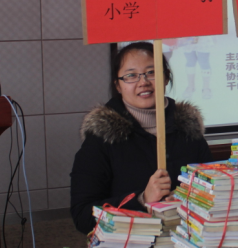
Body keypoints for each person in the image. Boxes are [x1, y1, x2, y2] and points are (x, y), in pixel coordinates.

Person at [70, 41, 212, 234]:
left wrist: (188, 200)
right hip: (131, 245)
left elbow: (212, 193)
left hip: (186, 242)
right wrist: (142, 200)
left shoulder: (188, 130)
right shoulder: (102, 138)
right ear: (118, 85)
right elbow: (83, 216)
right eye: (131, 75)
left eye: (151, 72)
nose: (143, 82)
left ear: (166, 78)